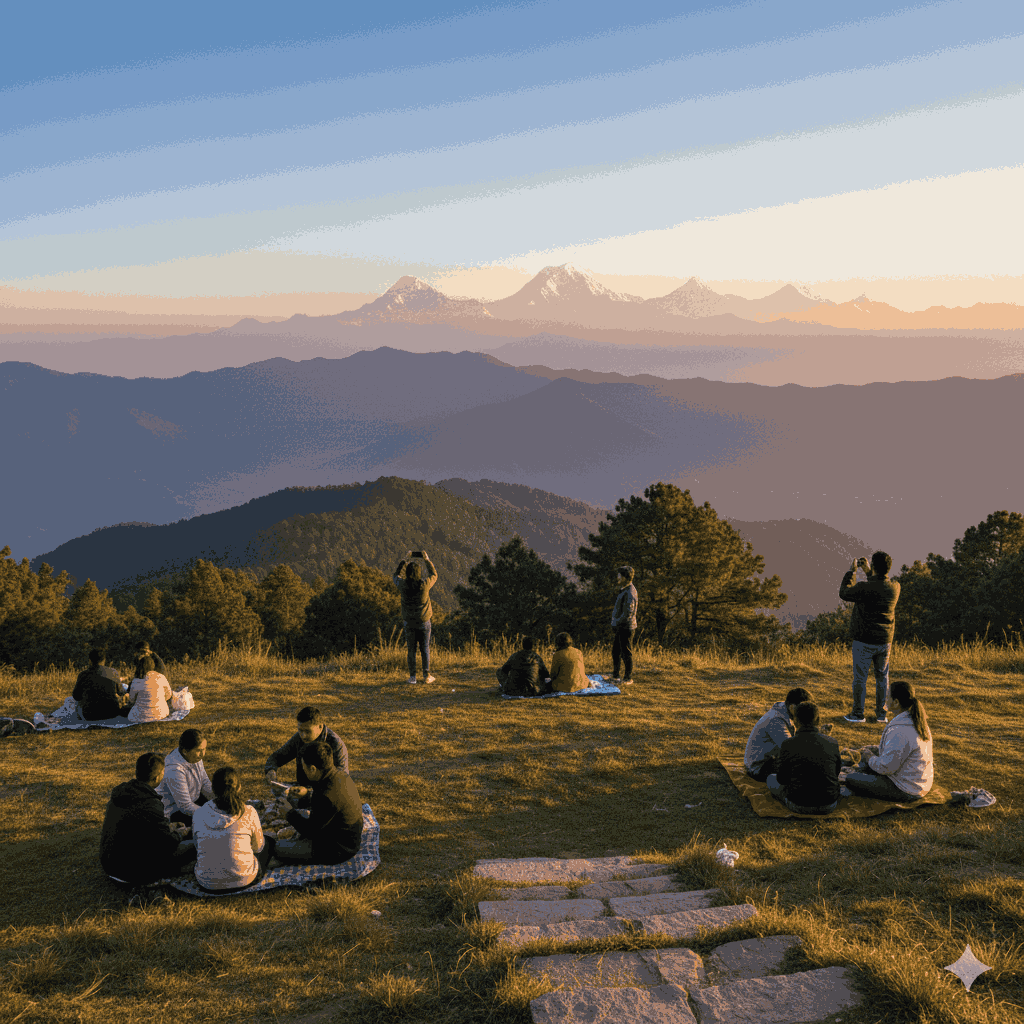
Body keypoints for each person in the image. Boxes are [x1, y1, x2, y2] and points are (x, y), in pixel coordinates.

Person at [100, 752, 196, 885]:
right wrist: (180, 834)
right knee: (196, 844)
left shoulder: (120, 794)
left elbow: (140, 828)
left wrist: (168, 826)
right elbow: (166, 844)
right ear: (157, 777)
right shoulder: (150, 803)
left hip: (109, 865)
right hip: (132, 872)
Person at [275, 741, 364, 865]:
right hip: (343, 836)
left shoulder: (326, 796)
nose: (303, 770)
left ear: (312, 768)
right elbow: (323, 809)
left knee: (277, 848)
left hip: (338, 850)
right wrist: (307, 793)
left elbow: (311, 831)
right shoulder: (339, 775)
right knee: (300, 814)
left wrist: (289, 813)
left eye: (304, 766)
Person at [843, 680, 933, 801]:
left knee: (851, 779)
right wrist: (874, 749)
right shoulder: (916, 721)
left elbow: (886, 768)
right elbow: (900, 751)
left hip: (906, 789)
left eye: (888, 696)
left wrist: (870, 757)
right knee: (868, 760)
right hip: (919, 783)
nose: (885, 699)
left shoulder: (901, 730)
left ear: (896, 702)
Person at [192, 766, 275, 893]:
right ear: (239, 787)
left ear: (213, 789)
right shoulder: (249, 811)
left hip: (207, 883)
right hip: (244, 880)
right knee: (269, 842)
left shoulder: (198, 813)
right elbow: (258, 848)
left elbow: (197, 847)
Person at [840, 551, 901, 724]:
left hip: (864, 640)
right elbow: (879, 585)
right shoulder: (895, 587)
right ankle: (882, 715)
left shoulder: (863, 588)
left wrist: (852, 572)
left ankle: (858, 714)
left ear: (874, 566)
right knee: (882, 677)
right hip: (884, 641)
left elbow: (844, 593)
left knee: (860, 677)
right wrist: (869, 572)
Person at [264, 706, 349, 808]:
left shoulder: (336, 744)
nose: (303, 735)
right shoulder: (299, 738)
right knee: (280, 797)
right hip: (302, 789)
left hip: (327, 794)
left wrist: (308, 792)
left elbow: (341, 781)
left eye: (308, 731)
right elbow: (277, 757)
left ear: (320, 727)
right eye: (300, 730)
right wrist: (271, 770)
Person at [766, 702, 841, 814]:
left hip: (798, 804)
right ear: (818, 720)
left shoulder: (788, 744)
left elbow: (781, 779)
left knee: (771, 779)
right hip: (829, 804)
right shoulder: (832, 742)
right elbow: (836, 773)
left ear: (795, 720)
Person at [743, 687, 813, 781]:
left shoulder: (786, 712)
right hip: (759, 767)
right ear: (792, 707)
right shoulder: (775, 721)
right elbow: (792, 749)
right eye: (803, 710)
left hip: (772, 758)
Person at [393, 550, 438, 684]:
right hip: (424, 621)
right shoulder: (424, 585)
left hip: (409, 622)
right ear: (419, 573)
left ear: (407, 573)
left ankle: (413, 677)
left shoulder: (402, 585)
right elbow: (434, 574)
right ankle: (427, 675)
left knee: (411, 649)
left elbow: (395, 575)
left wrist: (404, 561)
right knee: (424, 648)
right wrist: (426, 560)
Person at [157, 728, 214, 824]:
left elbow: (204, 783)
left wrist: (222, 799)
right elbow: (185, 806)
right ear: (185, 751)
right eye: (199, 750)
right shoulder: (174, 769)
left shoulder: (193, 756)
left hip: (192, 799)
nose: (203, 754)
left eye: (204, 749)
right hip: (175, 811)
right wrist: (212, 814)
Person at [73, 648, 128, 721]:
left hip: (90, 715)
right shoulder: (113, 672)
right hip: (112, 713)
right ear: (104, 660)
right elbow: (121, 692)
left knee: (72, 701)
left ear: (90, 660)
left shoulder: (83, 675)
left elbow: (76, 696)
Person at [609, 565, 638, 686]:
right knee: (616, 651)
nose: (617, 577)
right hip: (621, 626)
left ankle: (628, 678)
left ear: (625, 577)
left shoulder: (630, 592)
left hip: (626, 627)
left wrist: (617, 623)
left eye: (619, 575)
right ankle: (615, 675)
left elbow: (628, 613)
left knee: (626, 653)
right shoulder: (625, 589)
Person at [126, 656, 173, 724]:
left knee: (124, 709)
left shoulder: (136, 680)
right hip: (161, 713)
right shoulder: (161, 677)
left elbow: (131, 700)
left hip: (139, 716)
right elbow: (169, 694)